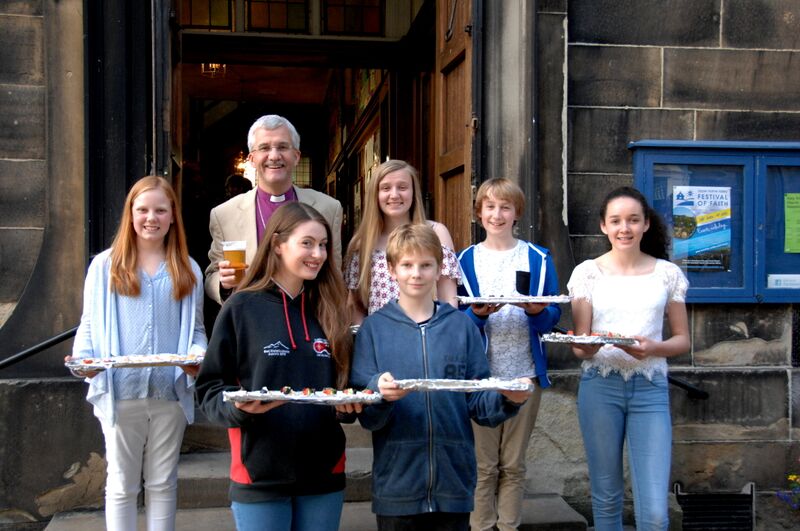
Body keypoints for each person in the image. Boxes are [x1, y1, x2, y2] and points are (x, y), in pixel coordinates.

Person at [350, 223, 533, 531]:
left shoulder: (460, 328)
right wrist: (378, 394)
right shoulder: (374, 330)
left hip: (454, 482)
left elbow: (478, 400)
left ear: (439, 270)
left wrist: (507, 399)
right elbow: (367, 414)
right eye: (407, 265)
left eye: (425, 265)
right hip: (398, 484)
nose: (416, 274)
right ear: (392, 270)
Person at [195, 201, 353, 531]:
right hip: (259, 472)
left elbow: (344, 385)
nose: (318, 254)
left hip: (323, 471)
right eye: (307, 243)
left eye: (323, 245)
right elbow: (209, 388)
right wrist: (239, 408)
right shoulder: (241, 307)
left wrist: (349, 404)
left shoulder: (331, 307)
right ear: (278, 245)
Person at [67, 176, 207, 531]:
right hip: (120, 389)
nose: (151, 217)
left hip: (168, 392)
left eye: (161, 209)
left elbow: (195, 331)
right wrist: (83, 360)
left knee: (162, 483)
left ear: (173, 215)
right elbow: (88, 323)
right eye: (142, 209)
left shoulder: (186, 268)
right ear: (130, 214)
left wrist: (196, 356)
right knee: (121, 485)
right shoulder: (105, 266)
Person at [567, 186, 690, 530]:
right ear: (603, 226)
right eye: (616, 221)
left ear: (646, 224)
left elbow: (682, 339)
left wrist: (653, 347)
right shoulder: (586, 273)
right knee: (606, 499)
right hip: (599, 386)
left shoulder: (667, 274)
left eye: (633, 220)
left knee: (653, 511)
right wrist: (589, 345)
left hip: (650, 387)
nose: (625, 228)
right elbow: (580, 344)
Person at [456, 178, 561, 531]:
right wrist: (478, 314)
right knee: (483, 465)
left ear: (517, 212)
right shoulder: (464, 260)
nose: (497, 214)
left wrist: (535, 311)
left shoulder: (538, 257)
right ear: (479, 212)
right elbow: (455, 323)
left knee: (513, 464)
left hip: (524, 373)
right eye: (489, 207)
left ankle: (509, 526)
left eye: (505, 207)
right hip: (480, 377)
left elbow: (553, 314)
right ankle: (481, 526)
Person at [205, 114, 343, 305]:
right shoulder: (223, 214)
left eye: (282, 147)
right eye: (264, 148)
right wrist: (222, 283)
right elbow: (212, 273)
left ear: (296, 156)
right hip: (251, 319)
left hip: (310, 317)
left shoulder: (329, 207)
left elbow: (335, 272)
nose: (274, 155)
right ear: (252, 159)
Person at [344, 159, 460, 324]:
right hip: (380, 341)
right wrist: (365, 341)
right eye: (385, 188)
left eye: (402, 187)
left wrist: (445, 335)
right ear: (375, 194)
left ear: (414, 192)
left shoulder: (436, 233)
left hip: (429, 337)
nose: (394, 195)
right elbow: (356, 306)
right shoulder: (363, 243)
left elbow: (449, 298)